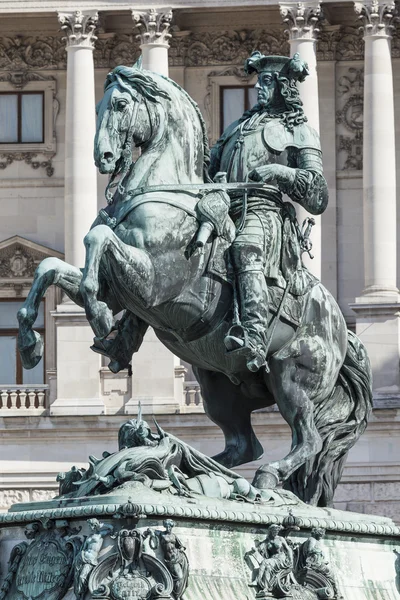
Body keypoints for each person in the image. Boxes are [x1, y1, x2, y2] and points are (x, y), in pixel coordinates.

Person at [210, 51, 328, 372]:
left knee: (244, 247)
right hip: (222, 208)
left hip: (264, 213)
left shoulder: (298, 130)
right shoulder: (238, 127)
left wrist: (280, 173)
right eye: (258, 81)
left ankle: (255, 335)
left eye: (265, 82)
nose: (259, 88)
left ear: (282, 86)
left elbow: (318, 194)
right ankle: (127, 334)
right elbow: (209, 166)